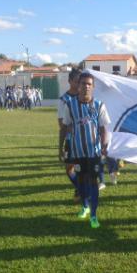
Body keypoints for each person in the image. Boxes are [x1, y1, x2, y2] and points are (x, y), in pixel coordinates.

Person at [62, 71, 111, 229]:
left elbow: (104, 128)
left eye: (89, 84)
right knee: (82, 183)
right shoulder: (70, 105)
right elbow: (64, 127)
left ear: (93, 87)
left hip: (94, 153)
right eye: (83, 83)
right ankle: (84, 206)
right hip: (77, 152)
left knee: (94, 183)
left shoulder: (99, 105)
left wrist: (104, 145)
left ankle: (94, 216)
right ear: (78, 85)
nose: (86, 86)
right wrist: (60, 147)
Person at [58, 70, 81, 202]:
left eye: (80, 81)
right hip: (70, 139)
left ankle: (82, 191)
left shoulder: (86, 98)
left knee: (83, 168)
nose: (79, 84)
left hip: (85, 140)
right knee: (69, 169)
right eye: (76, 81)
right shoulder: (64, 100)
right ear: (70, 81)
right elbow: (61, 122)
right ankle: (80, 187)